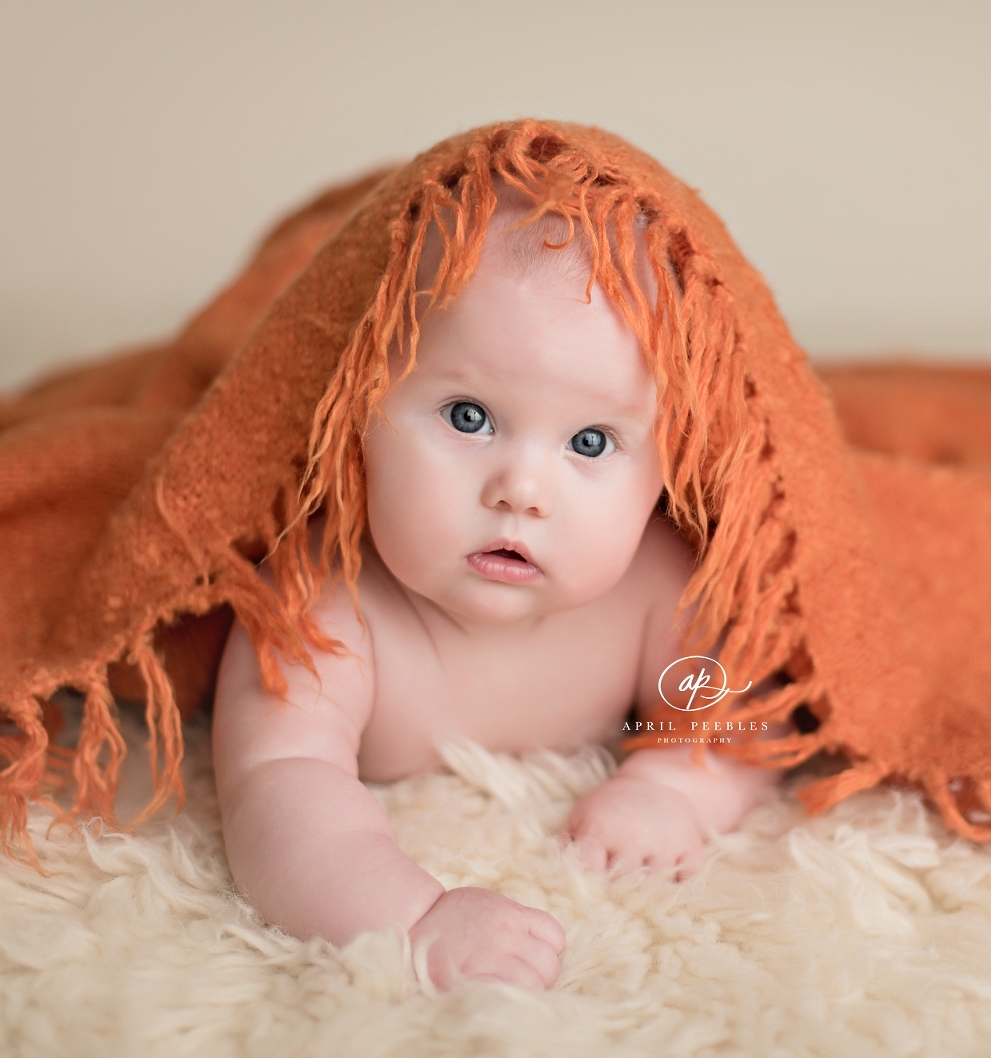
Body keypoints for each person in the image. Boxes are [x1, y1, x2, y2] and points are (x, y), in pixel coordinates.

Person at [211, 185, 781, 990]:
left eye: (591, 440)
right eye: (469, 416)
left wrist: (677, 787)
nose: (521, 489)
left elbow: (737, 705)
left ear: (667, 474)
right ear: (357, 414)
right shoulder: (322, 598)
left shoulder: (657, 584)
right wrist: (411, 918)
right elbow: (276, 786)